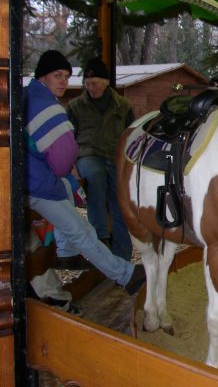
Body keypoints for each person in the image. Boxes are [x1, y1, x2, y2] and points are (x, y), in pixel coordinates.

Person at [25, 50, 145, 295]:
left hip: (38, 176)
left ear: (106, 82)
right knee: (81, 229)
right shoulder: (49, 107)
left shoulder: (28, 98)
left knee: (107, 201)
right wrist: (71, 164)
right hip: (40, 182)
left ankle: (65, 260)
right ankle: (124, 273)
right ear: (42, 77)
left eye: (66, 76)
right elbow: (61, 157)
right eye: (57, 75)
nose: (63, 81)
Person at [67, 57, 134, 260]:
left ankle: (123, 255)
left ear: (105, 83)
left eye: (94, 83)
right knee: (96, 177)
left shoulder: (123, 106)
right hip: (87, 155)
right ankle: (101, 235)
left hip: (115, 157)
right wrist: (71, 165)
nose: (91, 88)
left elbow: (131, 136)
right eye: (87, 84)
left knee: (120, 201)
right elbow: (68, 138)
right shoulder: (75, 106)